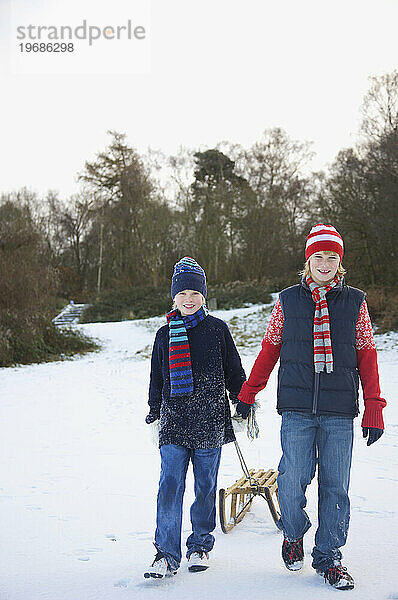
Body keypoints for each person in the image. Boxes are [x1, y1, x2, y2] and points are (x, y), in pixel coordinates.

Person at [235, 224, 386, 591]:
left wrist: (374, 407)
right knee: (290, 481)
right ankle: (293, 532)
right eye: (318, 255)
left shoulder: (356, 303)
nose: (325, 262)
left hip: (338, 411)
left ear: (340, 262)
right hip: (297, 409)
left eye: (332, 256)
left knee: (336, 488)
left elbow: (367, 356)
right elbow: (269, 349)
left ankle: (330, 557)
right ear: (308, 260)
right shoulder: (288, 301)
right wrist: (248, 393)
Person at [144, 256, 246, 579]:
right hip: (174, 424)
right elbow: (156, 380)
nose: (189, 299)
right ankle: (165, 553)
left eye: (195, 293)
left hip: (209, 424)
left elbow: (234, 372)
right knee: (170, 485)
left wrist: (243, 402)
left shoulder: (218, 331)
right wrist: (153, 413)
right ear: (174, 297)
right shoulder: (164, 335)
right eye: (182, 294)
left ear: (203, 296)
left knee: (206, 486)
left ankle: (200, 544)